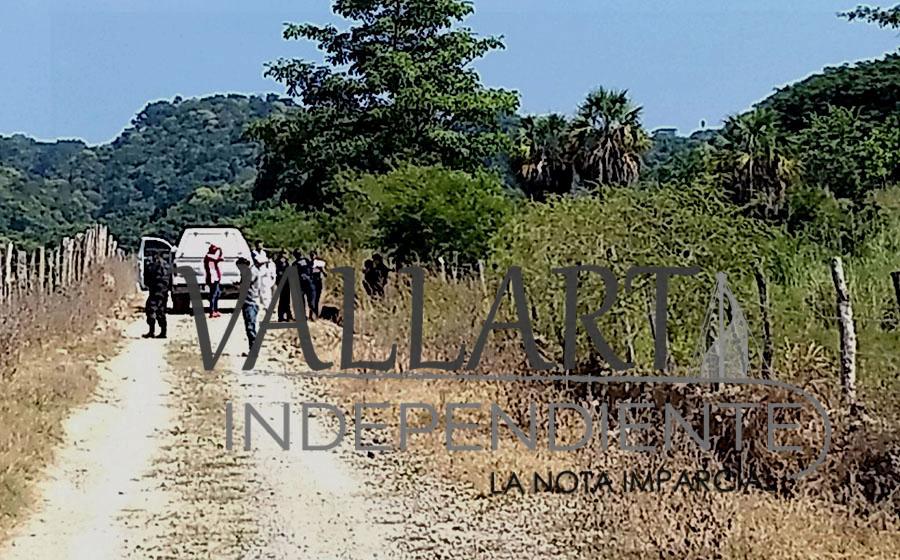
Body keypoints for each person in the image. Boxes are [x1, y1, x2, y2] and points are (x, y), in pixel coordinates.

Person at [237, 254, 265, 355]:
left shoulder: (251, 272)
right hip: (249, 301)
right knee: (249, 325)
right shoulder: (252, 271)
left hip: (251, 302)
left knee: (250, 326)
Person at [143, 253, 171, 339]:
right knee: (161, 310)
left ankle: (151, 331)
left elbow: (147, 278)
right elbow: (170, 280)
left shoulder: (153, 266)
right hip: (164, 292)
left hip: (155, 290)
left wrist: (150, 286)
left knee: (150, 309)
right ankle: (163, 332)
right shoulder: (167, 266)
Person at [203, 243, 224, 318]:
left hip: (215, 278)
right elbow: (211, 270)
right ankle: (212, 311)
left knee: (217, 294)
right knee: (213, 295)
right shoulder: (209, 258)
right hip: (213, 278)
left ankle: (215, 309)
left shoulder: (211, 258)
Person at [293, 249, 314, 319]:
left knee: (310, 300)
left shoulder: (306, 261)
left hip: (307, 282)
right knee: (303, 301)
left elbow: (311, 269)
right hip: (302, 283)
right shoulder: (295, 263)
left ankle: (311, 315)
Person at [275, 251, 293, 322]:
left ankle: (287, 315)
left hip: (287, 282)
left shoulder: (286, 262)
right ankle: (282, 316)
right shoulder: (279, 262)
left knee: (286, 299)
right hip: (282, 282)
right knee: (283, 300)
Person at [310, 251, 327, 319]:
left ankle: (315, 314)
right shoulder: (310, 264)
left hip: (317, 281)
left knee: (316, 299)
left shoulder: (319, 263)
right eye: (311, 255)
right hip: (312, 282)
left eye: (313, 255)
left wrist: (321, 269)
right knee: (313, 299)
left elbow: (325, 273)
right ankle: (313, 314)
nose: (312, 256)